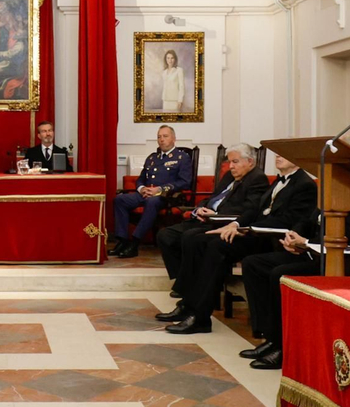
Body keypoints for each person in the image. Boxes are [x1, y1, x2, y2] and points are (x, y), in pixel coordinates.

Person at [238, 199, 350, 369]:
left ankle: (282, 346)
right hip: (312, 251)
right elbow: (308, 221)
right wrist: (293, 236)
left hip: (340, 261)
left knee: (280, 274)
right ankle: (270, 336)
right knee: (253, 264)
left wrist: (305, 242)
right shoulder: (329, 194)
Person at [160, 153, 316, 334]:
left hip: (269, 239)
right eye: (278, 153)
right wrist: (235, 224)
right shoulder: (279, 181)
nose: (278, 156)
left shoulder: (305, 185)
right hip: (255, 232)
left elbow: (287, 220)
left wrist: (245, 229)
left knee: (216, 246)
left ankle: (200, 317)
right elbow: (255, 209)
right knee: (198, 240)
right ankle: (188, 304)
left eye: (284, 153)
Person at [156, 142, 269, 283]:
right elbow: (213, 197)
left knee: (190, 237)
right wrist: (200, 209)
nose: (231, 166)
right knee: (165, 235)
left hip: (222, 223)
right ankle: (184, 278)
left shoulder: (257, 179)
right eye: (229, 162)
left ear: (250, 161)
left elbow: (249, 208)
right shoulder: (230, 176)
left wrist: (216, 215)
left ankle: (188, 282)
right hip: (206, 218)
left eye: (235, 162)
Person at [110, 126, 193, 258]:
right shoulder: (152, 158)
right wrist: (142, 188)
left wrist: (159, 190)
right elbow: (140, 179)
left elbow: (184, 182)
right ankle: (122, 241)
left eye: (165, 136)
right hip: (146, 193)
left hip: (167, 196)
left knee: (152, 201)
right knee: (120, 200)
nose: (161, 140)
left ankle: (135, 243)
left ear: (174, 138)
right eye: (159, 137)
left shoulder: (182, 157)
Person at [159, 48, 185, 114]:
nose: (170, 60)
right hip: (165, 100)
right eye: (168, 58)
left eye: (172, 58)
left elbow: (181, 86)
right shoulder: (164, 72)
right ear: (165, 59)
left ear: (175, 59)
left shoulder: (179, 70)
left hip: (175, 100)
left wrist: (180, 100)